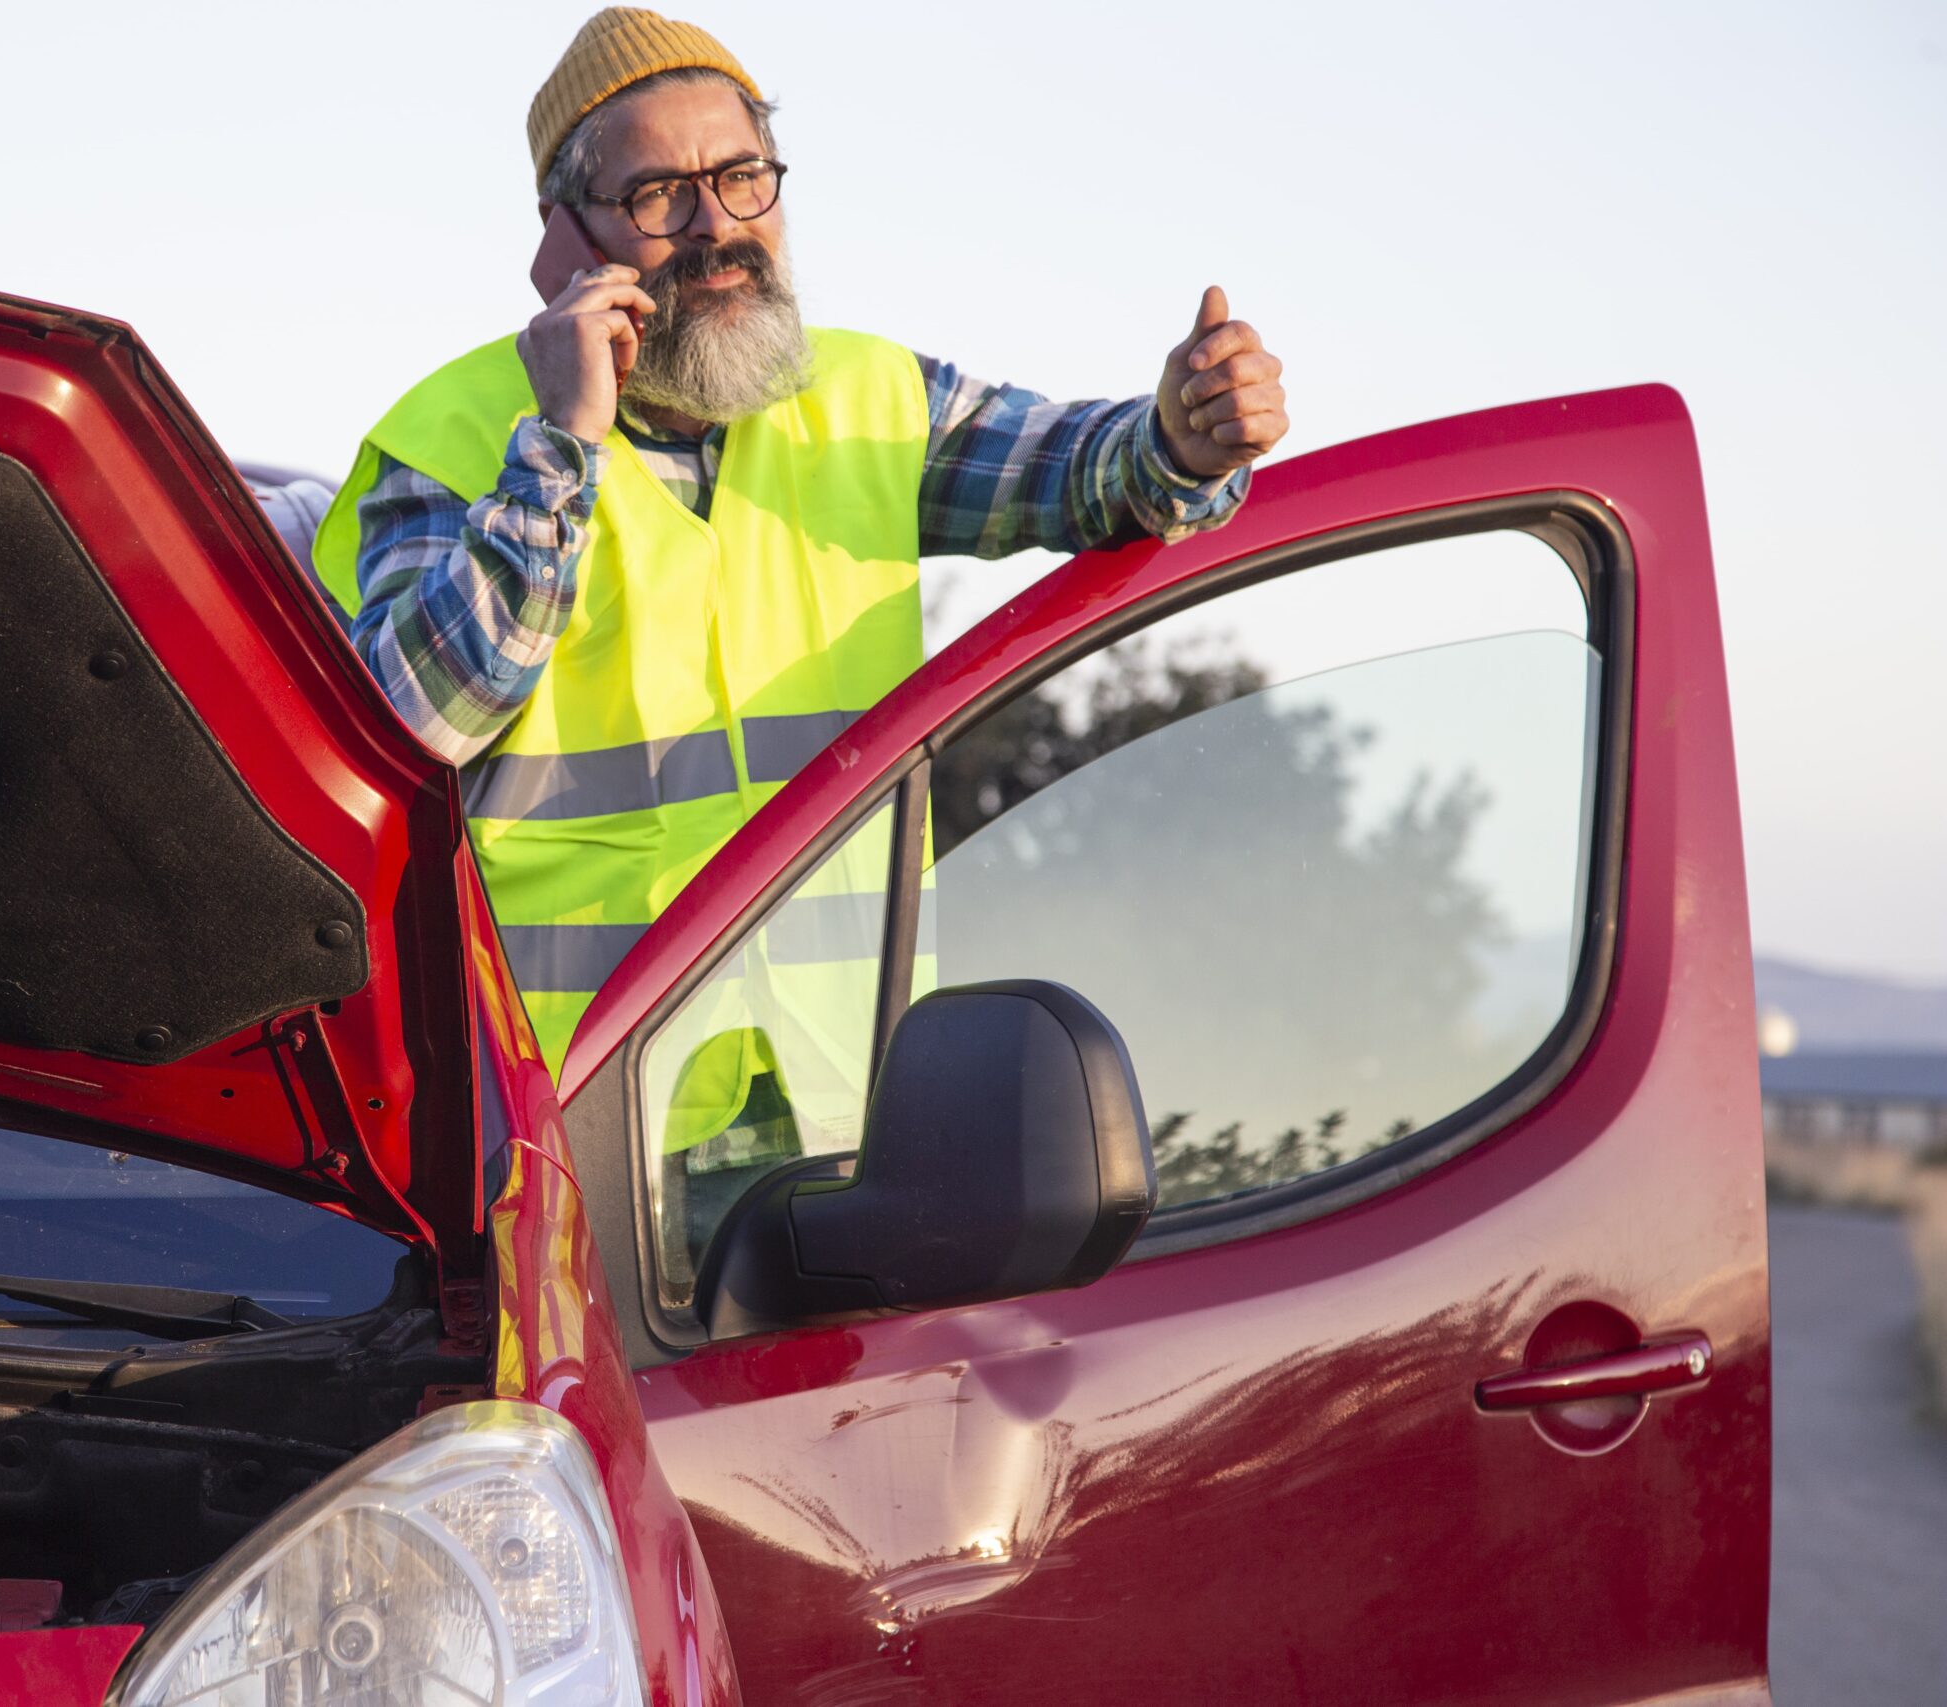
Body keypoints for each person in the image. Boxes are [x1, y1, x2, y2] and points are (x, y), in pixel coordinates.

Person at [313, 7, 1289, 1080]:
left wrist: (1181, 442)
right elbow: (404, 736)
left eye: (742, 177)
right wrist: (559, 448)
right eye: (656, 194)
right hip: (567, 1114)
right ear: (564, 238)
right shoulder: (447, 440)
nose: (713, 225)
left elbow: (1087, 471)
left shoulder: (869, 394)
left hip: (846, 1093)